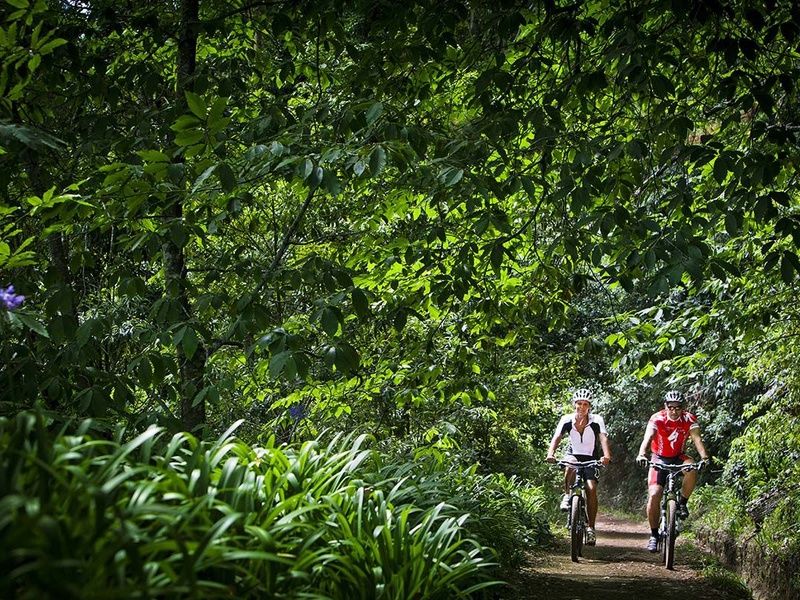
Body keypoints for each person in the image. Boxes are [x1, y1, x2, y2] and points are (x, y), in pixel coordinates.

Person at [635, 390, 710, 552]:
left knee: (691, 467)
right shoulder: (657, 418)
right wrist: (641, 454)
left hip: (678, 456)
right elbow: (648, 437)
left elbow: (697, 438)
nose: (674, 411)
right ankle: (654, 535)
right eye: (671, 407)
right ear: (665, 407)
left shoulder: (689, 419)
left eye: (678, 408)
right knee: (654, 495)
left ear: (683, 408)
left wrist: (704, 458)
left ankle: (682, 503)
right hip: (658, 458)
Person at [546, 388, 612, 546]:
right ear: (574, 404)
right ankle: (567, 495)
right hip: (573, 454)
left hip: (591, 457)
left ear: (589, 406)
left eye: (585, 404)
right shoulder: (566, 419)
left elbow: (603, 438)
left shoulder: (596, 420)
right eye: (579, 404)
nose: (582, 407)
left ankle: (591, 528)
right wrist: (550, 453)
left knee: (591, 488)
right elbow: (557, 437)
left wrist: (606, 456)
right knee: (569, 466)